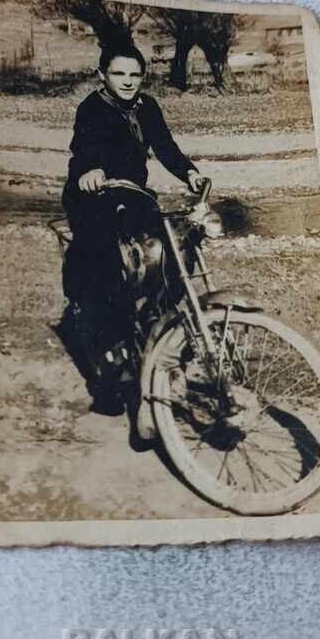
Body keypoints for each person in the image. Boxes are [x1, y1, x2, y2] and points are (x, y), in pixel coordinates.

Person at [60, 43, 205, 413]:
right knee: (108, 273)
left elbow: (165, 146)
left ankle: (163, 328)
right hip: (93, 196)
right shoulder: (91, 108)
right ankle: (111, 374)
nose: (127, 82)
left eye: (134, 74)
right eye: (119, 74)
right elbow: (83, 148)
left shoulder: (148, 107)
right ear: (102, 76)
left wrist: (187, 171)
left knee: (175, 249)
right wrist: (90, 172)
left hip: (134, 194)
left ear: (143, 76)